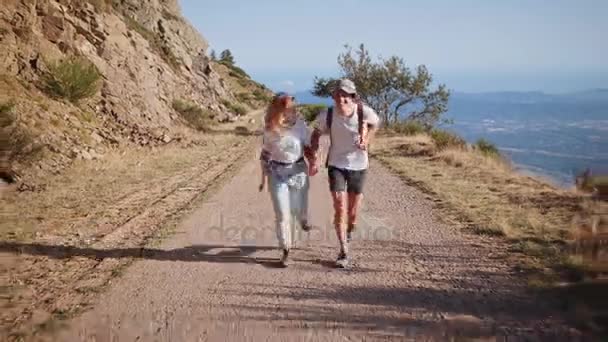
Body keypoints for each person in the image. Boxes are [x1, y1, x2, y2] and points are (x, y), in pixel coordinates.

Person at [309, 79, 380, 268]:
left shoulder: (363, 111)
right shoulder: (328, 114)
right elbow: (316, 133)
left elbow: (375, 125)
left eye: (345, 94)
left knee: (352, 212)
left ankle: (350, 229)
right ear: (333, 96)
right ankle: (343, 251)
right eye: (338, 94)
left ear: (352, 96)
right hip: (336, 164)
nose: (341, 97)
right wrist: (314, 152)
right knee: (340, 205)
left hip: (359, 165)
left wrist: (367, 141)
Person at [259, 92, 317, 267]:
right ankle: (286, 249)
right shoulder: (270, 128)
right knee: (282, 214)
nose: (287, 112)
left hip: (298, 171)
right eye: (283, 108)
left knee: (298, 210)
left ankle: (303, 219)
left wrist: (314, 160)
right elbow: (265, 153)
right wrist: (263, 175)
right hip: (277, 173)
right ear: (275, 109)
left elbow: (308, 147)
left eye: (290, 108)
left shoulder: (300, 126)